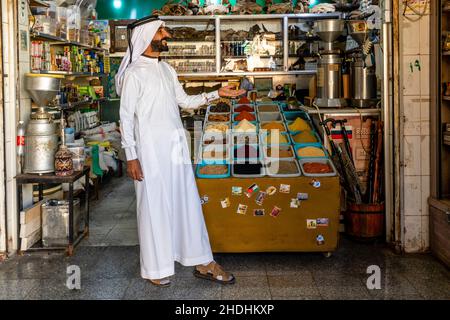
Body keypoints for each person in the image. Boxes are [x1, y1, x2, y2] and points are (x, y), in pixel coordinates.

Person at [116, 17, 245, 287]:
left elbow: (185, 102)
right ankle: (156, 267)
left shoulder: (167, 70)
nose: (166, 34)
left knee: (187, 205)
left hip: (175, 150)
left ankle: (202, 260)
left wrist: (216, 93)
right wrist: (131, 156)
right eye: (161, 31)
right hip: (149, 153)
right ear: (147, 36)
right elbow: (126, 118)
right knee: (153, 209)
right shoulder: (133, 74)